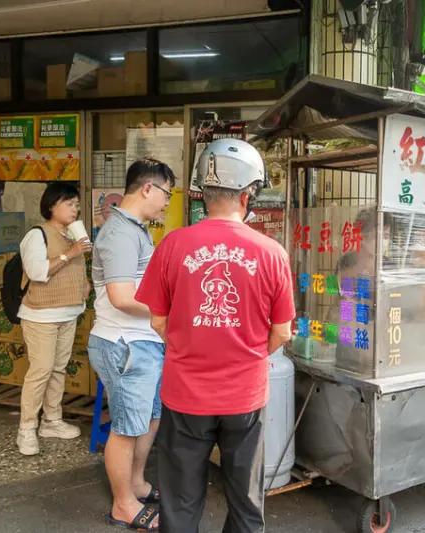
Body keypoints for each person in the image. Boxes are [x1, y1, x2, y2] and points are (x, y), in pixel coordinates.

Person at [134, 139, 295, 533]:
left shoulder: (172, 244)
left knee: (180, 501)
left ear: (203, 194)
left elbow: (158, 322)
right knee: (245, 500)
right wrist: (248, 353)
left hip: (184, 395)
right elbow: (281, 332)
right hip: (245, 395)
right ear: (248, 196)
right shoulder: (271, 252)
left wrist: (190, 347)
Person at [88, 158, 175, 531]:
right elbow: (122, 297)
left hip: (142, 342)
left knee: (149, 418)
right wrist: (170, 310)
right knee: (126, 427)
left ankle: (136, 483)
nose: (167, 202)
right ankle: (123, 504)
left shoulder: (134, 228)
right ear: (148, 188)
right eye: (166, 194)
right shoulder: (120, 233)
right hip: (124, 344)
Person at [16, 182, 91, 456]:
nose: (75, 209)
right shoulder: (37, 235)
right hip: (40, 316)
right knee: (41, 371)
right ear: (51, 206)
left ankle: (52, 420)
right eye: (69, 203)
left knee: (58, 369)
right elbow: (37, 271)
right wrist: (70, 253)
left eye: (77, 204)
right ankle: (26, 428)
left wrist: (84, 282)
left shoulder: (72, 235)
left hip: (68, 313)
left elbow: (74, 268)